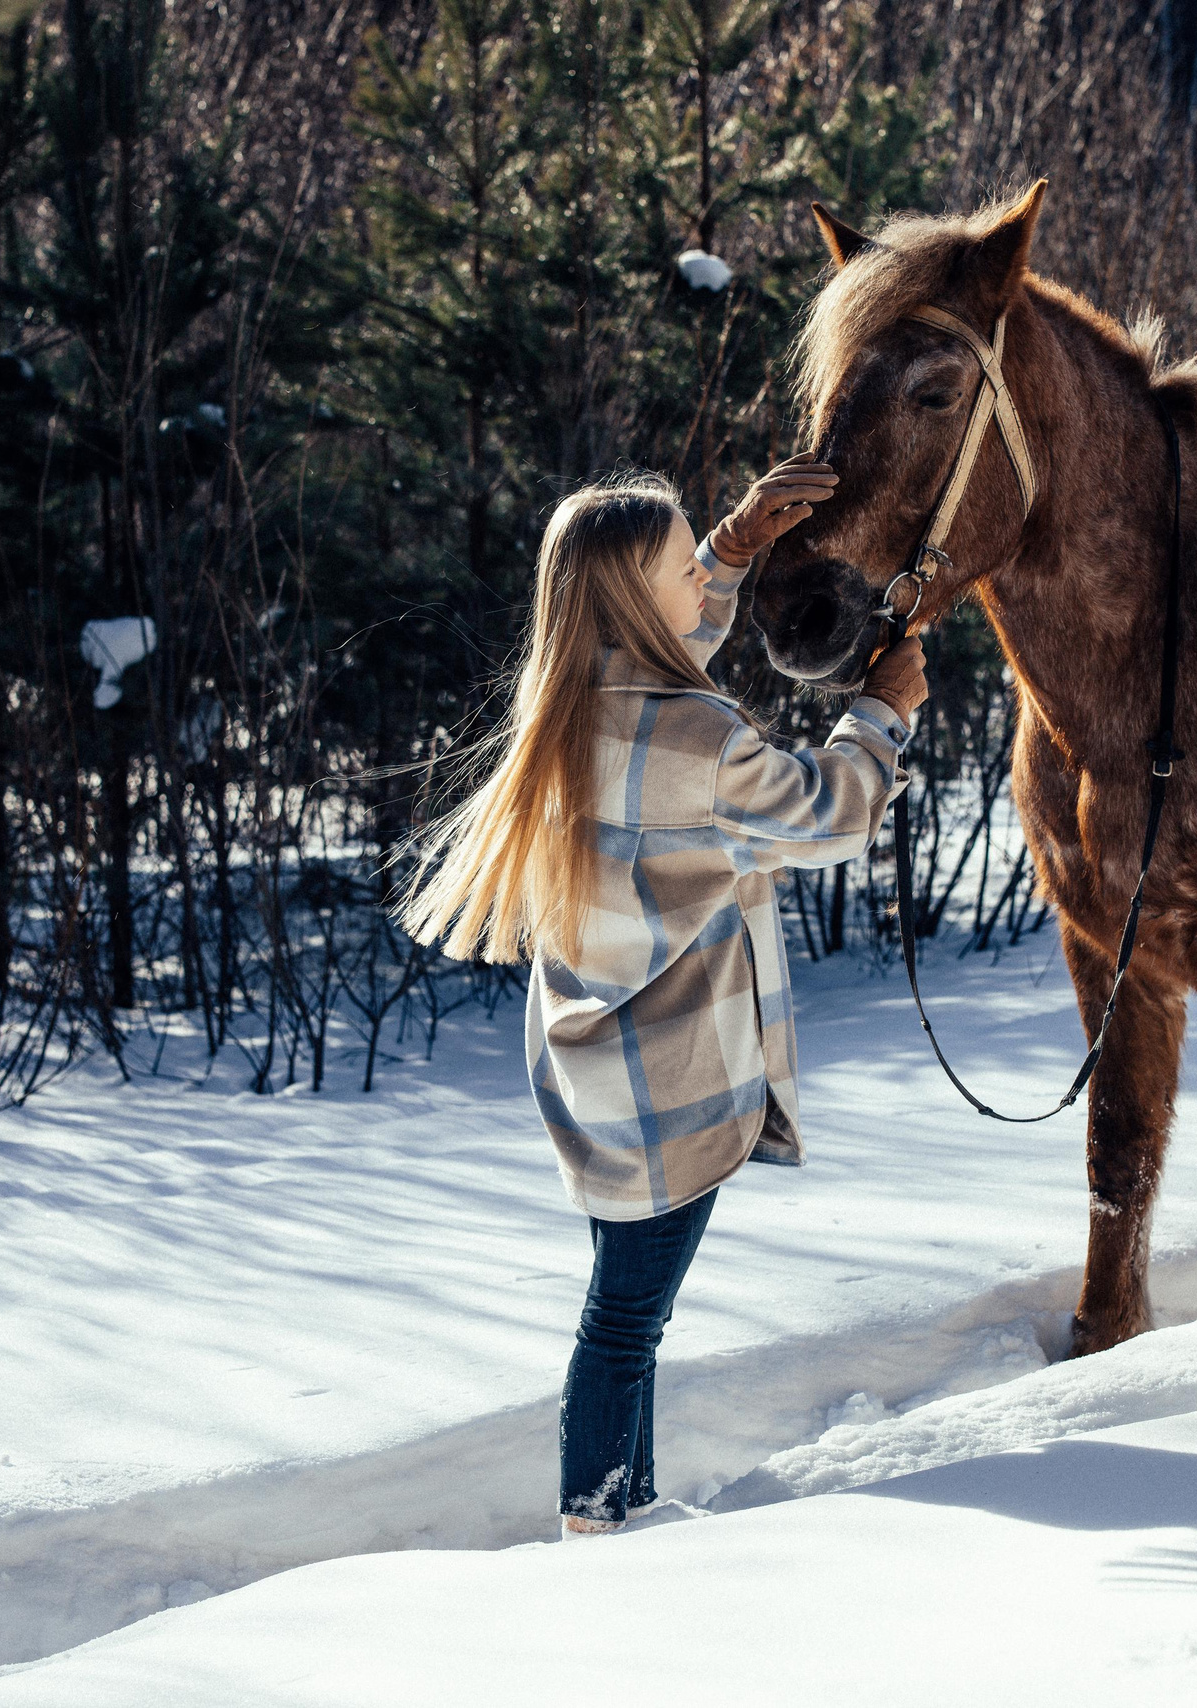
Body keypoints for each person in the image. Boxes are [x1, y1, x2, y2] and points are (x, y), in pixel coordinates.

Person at [394, 456, 928, 1537]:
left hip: (593, 1069)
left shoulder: (577, 700)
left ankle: (624, 1511)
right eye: (686, 565)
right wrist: (881, 711)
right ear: (641, 599)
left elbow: (669, 653)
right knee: (626, 1320)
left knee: (626, 1308)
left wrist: (730, 547)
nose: (704, 572)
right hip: (674, 1083)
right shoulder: (698, 742)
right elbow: (829, 811)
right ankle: (595, 1530)